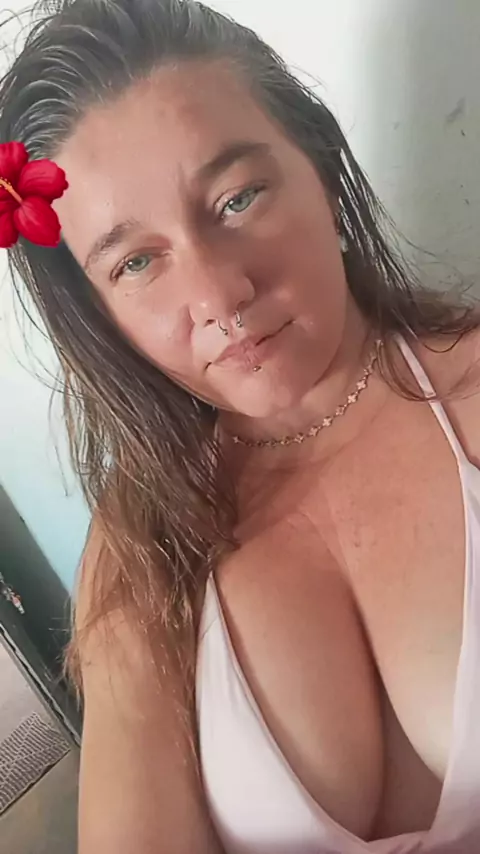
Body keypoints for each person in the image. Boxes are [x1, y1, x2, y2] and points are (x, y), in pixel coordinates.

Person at [1, 0, 479, 851]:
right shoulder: (140, 552)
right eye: (136, 262)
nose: (220, 297)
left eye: (237, 199)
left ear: (321, 170)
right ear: (102, 315)